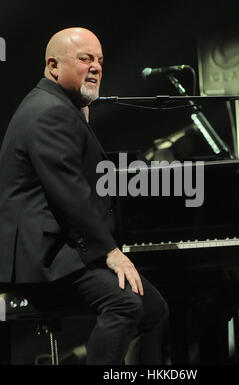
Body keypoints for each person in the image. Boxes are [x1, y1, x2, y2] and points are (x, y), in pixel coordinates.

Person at [0, 27, 168, 365]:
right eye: (84, 58)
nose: (96, 67)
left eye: (100, 60)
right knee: (124, 303)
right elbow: (69, 193)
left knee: (154, 309)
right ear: (53, 65)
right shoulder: (50, 111)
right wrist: (110, 251)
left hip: (58, 245)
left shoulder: (58, 104)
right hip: (41, 257)